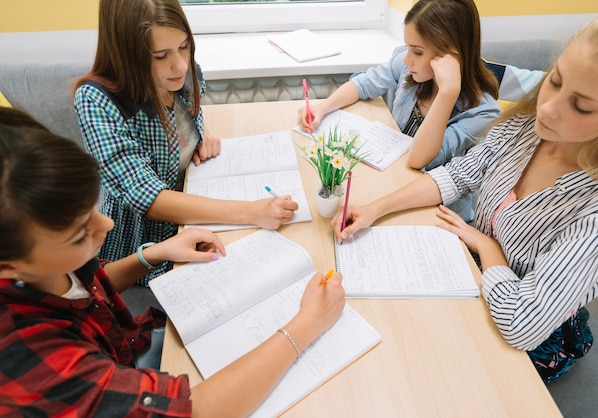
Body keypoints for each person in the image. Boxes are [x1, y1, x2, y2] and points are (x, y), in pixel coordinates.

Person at [331, 2, 598, 383]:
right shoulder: (526, 127)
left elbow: (523, 325)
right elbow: (459, 175)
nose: (548, 108)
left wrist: (488, 248)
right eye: (555, 79)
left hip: (530, 335)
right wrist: (376, 207)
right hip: (471, 271)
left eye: (581, 107)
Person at [0, 107, 346, 416]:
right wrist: (307, 323)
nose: (105, 225)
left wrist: (153, 254)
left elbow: (82, 282)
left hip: (127, 347)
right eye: (79, 234)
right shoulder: (32, 360)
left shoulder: (38, 259)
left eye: (92, 208)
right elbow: (197, 410)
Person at [74, 0, 299, 284]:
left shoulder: (183, 72)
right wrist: (252, 211)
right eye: (160, 55)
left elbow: (189, 114)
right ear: (125, 54)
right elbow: (147, 197)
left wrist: (200, 135)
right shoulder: (96, 101)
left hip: (196, 200)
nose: (180, 64)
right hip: (144, 243)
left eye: (184, 46)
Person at [298, 0, 500, 172]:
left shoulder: (483, 112)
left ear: (451, 55)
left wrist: (447, 93)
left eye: (417, 52)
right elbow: (363, 84)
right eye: (407, 47)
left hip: (433, 206)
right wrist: (323, 107)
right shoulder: (410, 68)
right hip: (391, 171)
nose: (407, 59)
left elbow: (419, 160)